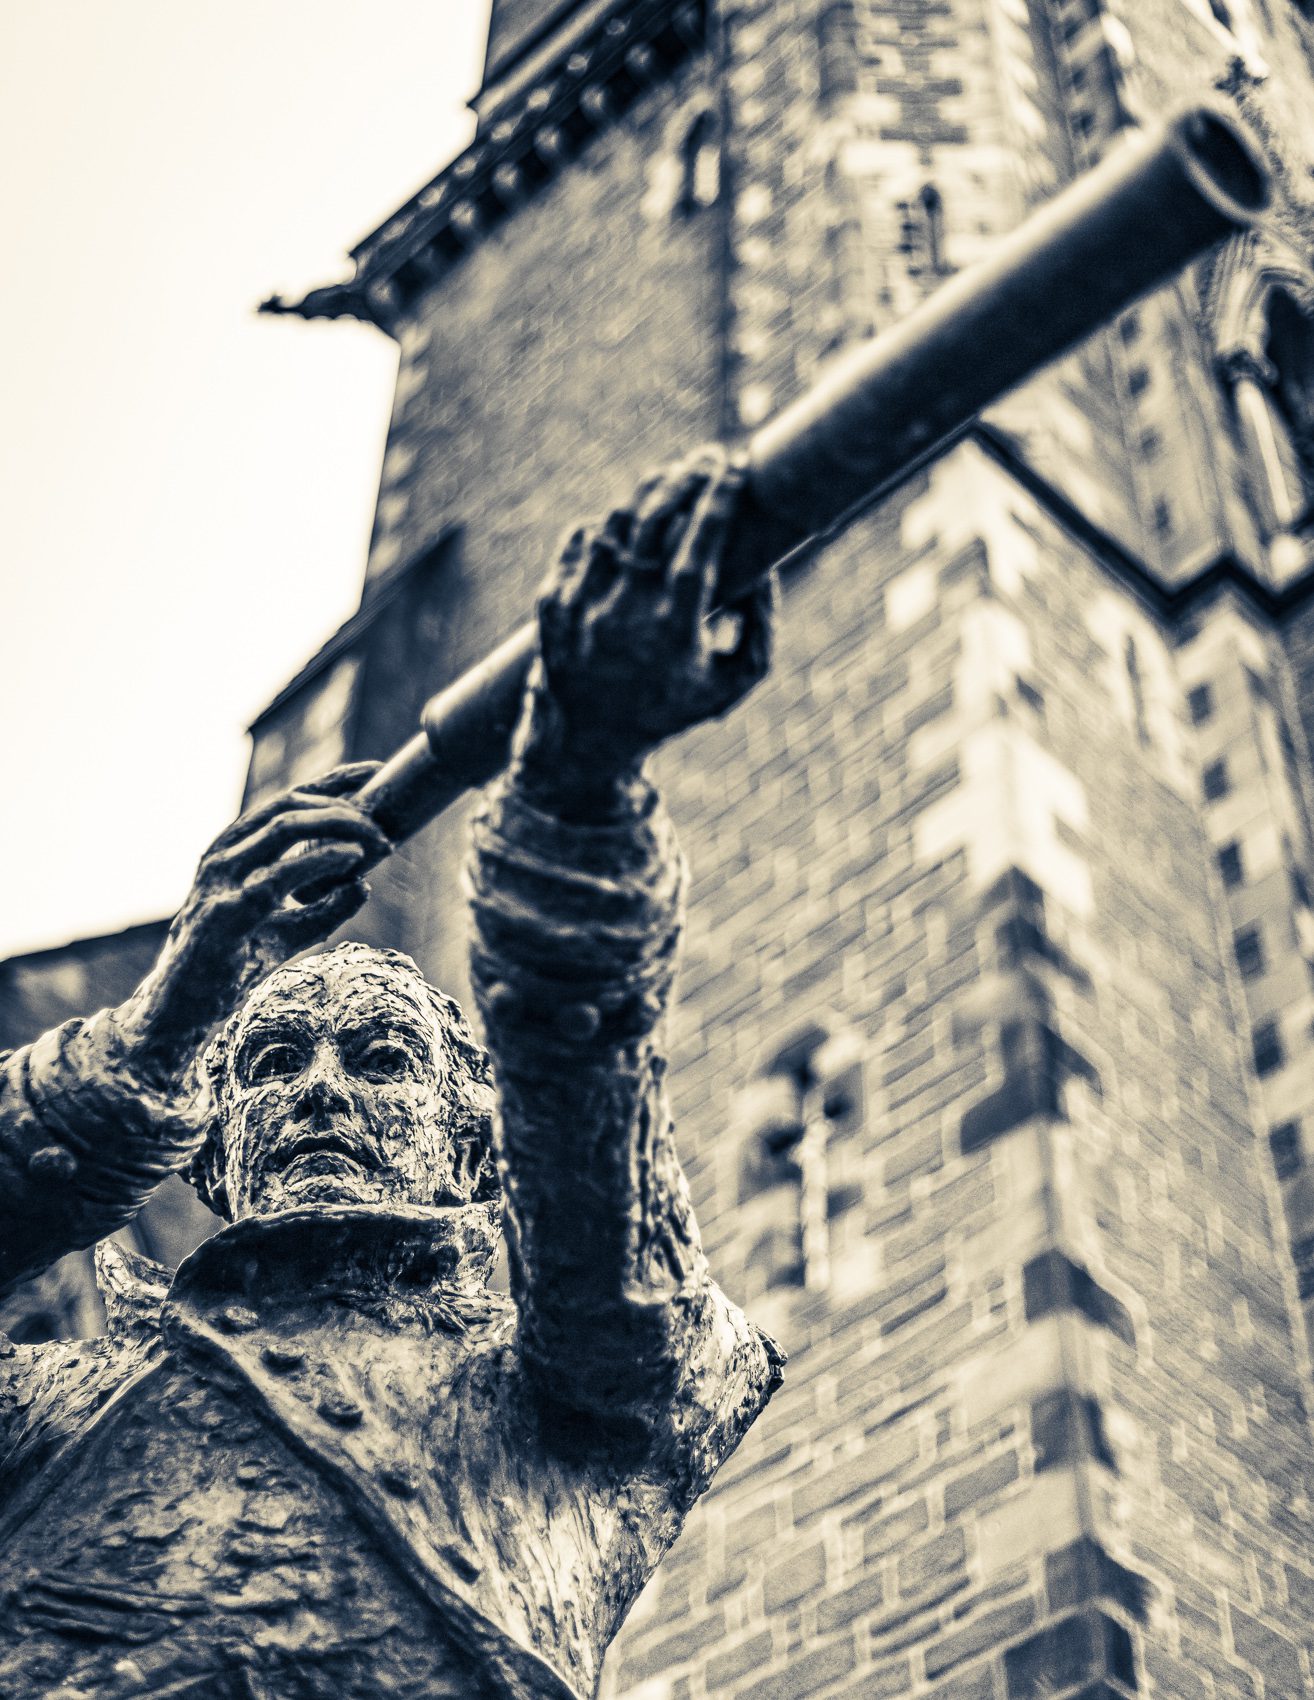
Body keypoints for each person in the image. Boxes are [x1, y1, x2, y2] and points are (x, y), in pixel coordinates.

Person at [0, 451, 783, 1700]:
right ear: (209, 1146)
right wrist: (169, 1018)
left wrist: (576, 800)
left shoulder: (551, 1391)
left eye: (379, 1059)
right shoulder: (59, 1408)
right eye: (268, 1061)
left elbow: (612, 1262)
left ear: (475, 1144)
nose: (317, 1089)